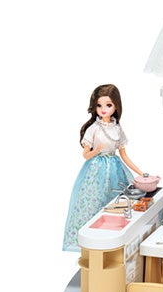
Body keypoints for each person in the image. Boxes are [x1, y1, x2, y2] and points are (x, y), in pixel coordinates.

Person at [61, 84, 143, 251]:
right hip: (96, 170)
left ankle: (114, 241)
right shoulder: (94, 129)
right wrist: (96, 151)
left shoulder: (117, 129)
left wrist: (141, 173)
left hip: (115, 169)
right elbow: (85, 155)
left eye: (108, 105)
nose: (103, 109)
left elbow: (124, 155)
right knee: (93, 203)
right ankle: (90, 242)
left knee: (116, 203)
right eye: (99, 105)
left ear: (116, 106)